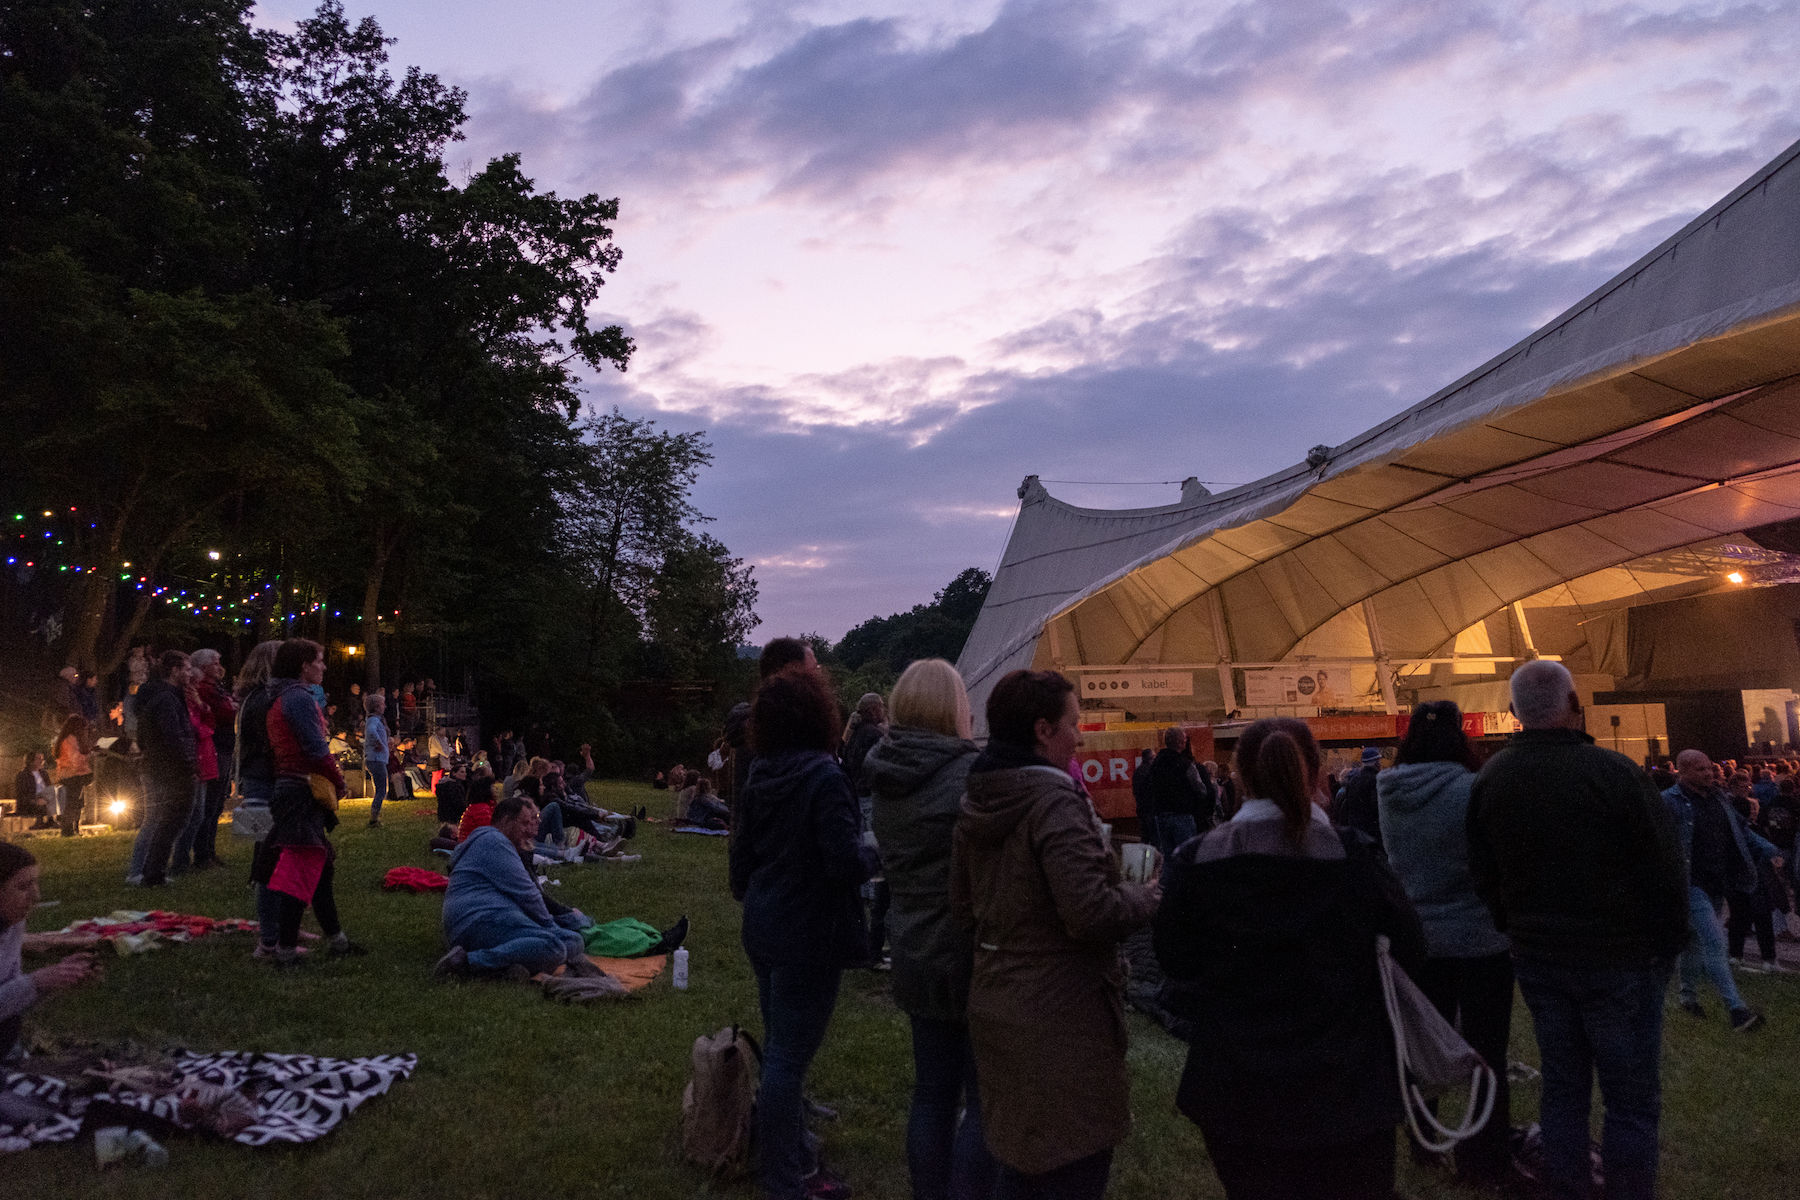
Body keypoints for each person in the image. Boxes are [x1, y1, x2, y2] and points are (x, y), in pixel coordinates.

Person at [1154, 717, 1425, 1200]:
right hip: (1348, 1088)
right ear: (1316, 773)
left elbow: (1174, 960)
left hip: (1237, 1091)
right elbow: (1411, 944)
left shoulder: (1197, 859)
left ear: (1240, 777)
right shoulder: (1353, 856)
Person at [1467, 660, 1687, 1200]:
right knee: (1630, 1098)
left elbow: (1482, 870)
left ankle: (1568, 1188)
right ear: (1573, 704)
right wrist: (1667, 943)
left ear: (1514, 712)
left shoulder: (1493, 778)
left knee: (1563, 1089)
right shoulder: (1613, 773)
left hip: (1540, 958)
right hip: (1619, 959)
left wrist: (1513, 925)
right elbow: (1664, 868)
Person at [952, 669, 1159, 1200]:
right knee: (1071, 1166)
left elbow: (962, 906)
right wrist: (1149, 895)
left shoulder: (978, 798)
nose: (1081, 737)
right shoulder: (1055, 801)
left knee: (1020, 1161)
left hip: (998, 995)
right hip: (1062, 1014)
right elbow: (1091, 913)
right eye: (1073, 724)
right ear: (1043, 731)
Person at [729, 670, 879, 1200]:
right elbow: (844, 863)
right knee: (788, 1060)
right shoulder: (825, 777)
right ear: (820, 715)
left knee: (780, 1048)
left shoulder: (760, 773)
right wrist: (876, 852)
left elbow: (741, 859)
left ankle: (792, 1156)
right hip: (809, 931)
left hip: (764, 924)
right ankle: (786, 1179)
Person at [863, 659, 999, 1200]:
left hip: (913, 945)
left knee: (931, 1094)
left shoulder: (886, 775)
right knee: (983, 1099)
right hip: (968, 951)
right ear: (955, 709)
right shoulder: (971, 777)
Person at [1376, 701, 1518, 1187]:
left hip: (1418, 937)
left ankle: (1423, 1142)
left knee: (1421, 1047)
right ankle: (1484, 1159)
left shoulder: (1388, 791)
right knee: (1487, 1051)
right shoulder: (1473, 789)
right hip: (1479, 937)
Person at [264, 639, 364, 966]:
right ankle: (286, 951)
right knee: (302, 868)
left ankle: (337, 940)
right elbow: (315, 749)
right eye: (319, 661)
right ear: (303, 665)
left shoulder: (284, 696)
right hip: (299, 791)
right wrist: (338, 781)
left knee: (320, 866)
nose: (323, 666)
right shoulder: (297, 698)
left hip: (293, 788)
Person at [1660, 749, 1774, 1029]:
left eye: (1709, 768)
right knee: (1714, 941)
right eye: (1700, 769)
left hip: (1716, 882)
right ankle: (1737, 1010)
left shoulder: (1719, 798)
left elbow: (1742, 831)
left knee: (1694, 942)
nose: (1709, 773)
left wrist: (1769, 849)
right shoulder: (1668, 802)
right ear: (1683, 771)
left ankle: (1687, 997)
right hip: (1689, 884)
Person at [435, 797, 602, 979]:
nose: (528, 829)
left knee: (573, 941)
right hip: (476, 921)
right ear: (507, 822)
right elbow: (528, 894)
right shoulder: (495, 841)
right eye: (524, 823)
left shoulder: (495, 842)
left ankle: (504, 968)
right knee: (554, 947)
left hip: (492, 917)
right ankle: (466, 962)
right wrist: (551, 927)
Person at [2, 844, 102, 1058]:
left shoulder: (12, 923)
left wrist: (58, 978)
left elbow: (10, 1000)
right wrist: (36, 982)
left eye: (35, 883)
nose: (36, 895)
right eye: (23, 887)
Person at [233, 640, 288, 958]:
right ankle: (270, 937)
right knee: (271, 861)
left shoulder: (254, 698)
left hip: (261, 779)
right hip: (267, 781)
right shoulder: (265, 700)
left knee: (275, 857)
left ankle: (279, 929)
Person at [129, 651, 199, 887]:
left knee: (161, 820)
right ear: (174, 670)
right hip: (167, 768)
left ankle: (148, 870)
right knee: (163, 820)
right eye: (186, 669)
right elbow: (173, 736)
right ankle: (144, 871)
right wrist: (188, 763)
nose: (190, 673)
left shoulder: (161, 697)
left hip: (160, 766)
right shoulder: (166, 699)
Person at [1144, 726, 1211, 857]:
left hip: (1161, 815)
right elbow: (1200, 789)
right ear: (1180, 742)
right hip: (1182, 814)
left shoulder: (1156, 763)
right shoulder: (1185, 764)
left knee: (1168, 857)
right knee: (1186, 856)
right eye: (1184, 739)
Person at [52, 714, 93, 838]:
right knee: (71, 804)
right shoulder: (70, 740)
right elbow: (75, 760)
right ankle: (67, 831)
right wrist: (89, 755)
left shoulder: (66, 739)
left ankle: (73, 829)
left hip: (69, 775)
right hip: (72, 776)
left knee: (75, 803)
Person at [1335, 746, 1384, 847]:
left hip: (1356, 829)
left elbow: (1347, 805)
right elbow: (1376, 806)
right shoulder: (1376, 780)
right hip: (1372, 830)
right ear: (1376, 763)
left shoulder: (1354, 780)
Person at [364, 693, 391, 827]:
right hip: (376, 759)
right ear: (376, 706)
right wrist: (378, 742)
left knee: (381, 789)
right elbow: (371, 731)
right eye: (382, 704)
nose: (384, 706)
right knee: (381, 789)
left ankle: (374, 818)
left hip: (377, 759)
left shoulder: (376, 719)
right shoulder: (374, 720)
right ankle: (373, 819)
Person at [14, 751, 58, 829]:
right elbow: (22, 793)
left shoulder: (44, 774)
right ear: (30, 761)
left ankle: (52, 821)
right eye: (38, 759)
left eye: (42, 759)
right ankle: (39, 822)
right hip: (30, 801)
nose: (42, 761)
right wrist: (34, 800)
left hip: (44, 798)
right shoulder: (23, 775)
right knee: (41, 803)